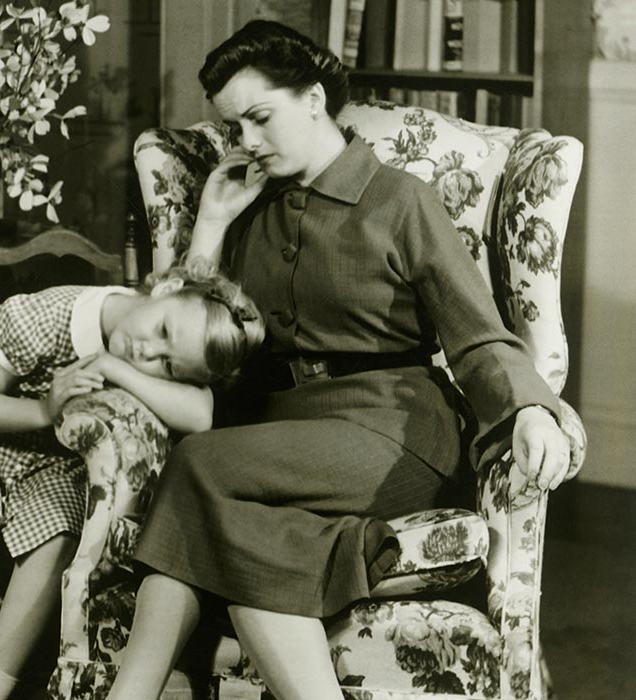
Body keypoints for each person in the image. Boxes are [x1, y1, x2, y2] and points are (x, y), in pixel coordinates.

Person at [104, 20, 573, 700]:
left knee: (197, 466)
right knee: (251, 549)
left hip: (394, 428)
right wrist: (208, 226)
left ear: (315, 97)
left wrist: (530, 408)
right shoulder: (247, 205)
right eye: (235, 129)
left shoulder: (400, 201)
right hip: (285, 437)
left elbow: (478, 334)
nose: (249, 143)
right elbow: (194, 339)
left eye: (260, 118)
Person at [0, 260, 264, 700]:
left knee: (57, 535)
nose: (147, 353)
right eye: (163, 332)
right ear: (167, 287)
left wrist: (112, 365)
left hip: (54, 460)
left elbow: (200, 415)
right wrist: (42, 410)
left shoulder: (137, 353)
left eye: (167, 365)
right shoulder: (44, 316)